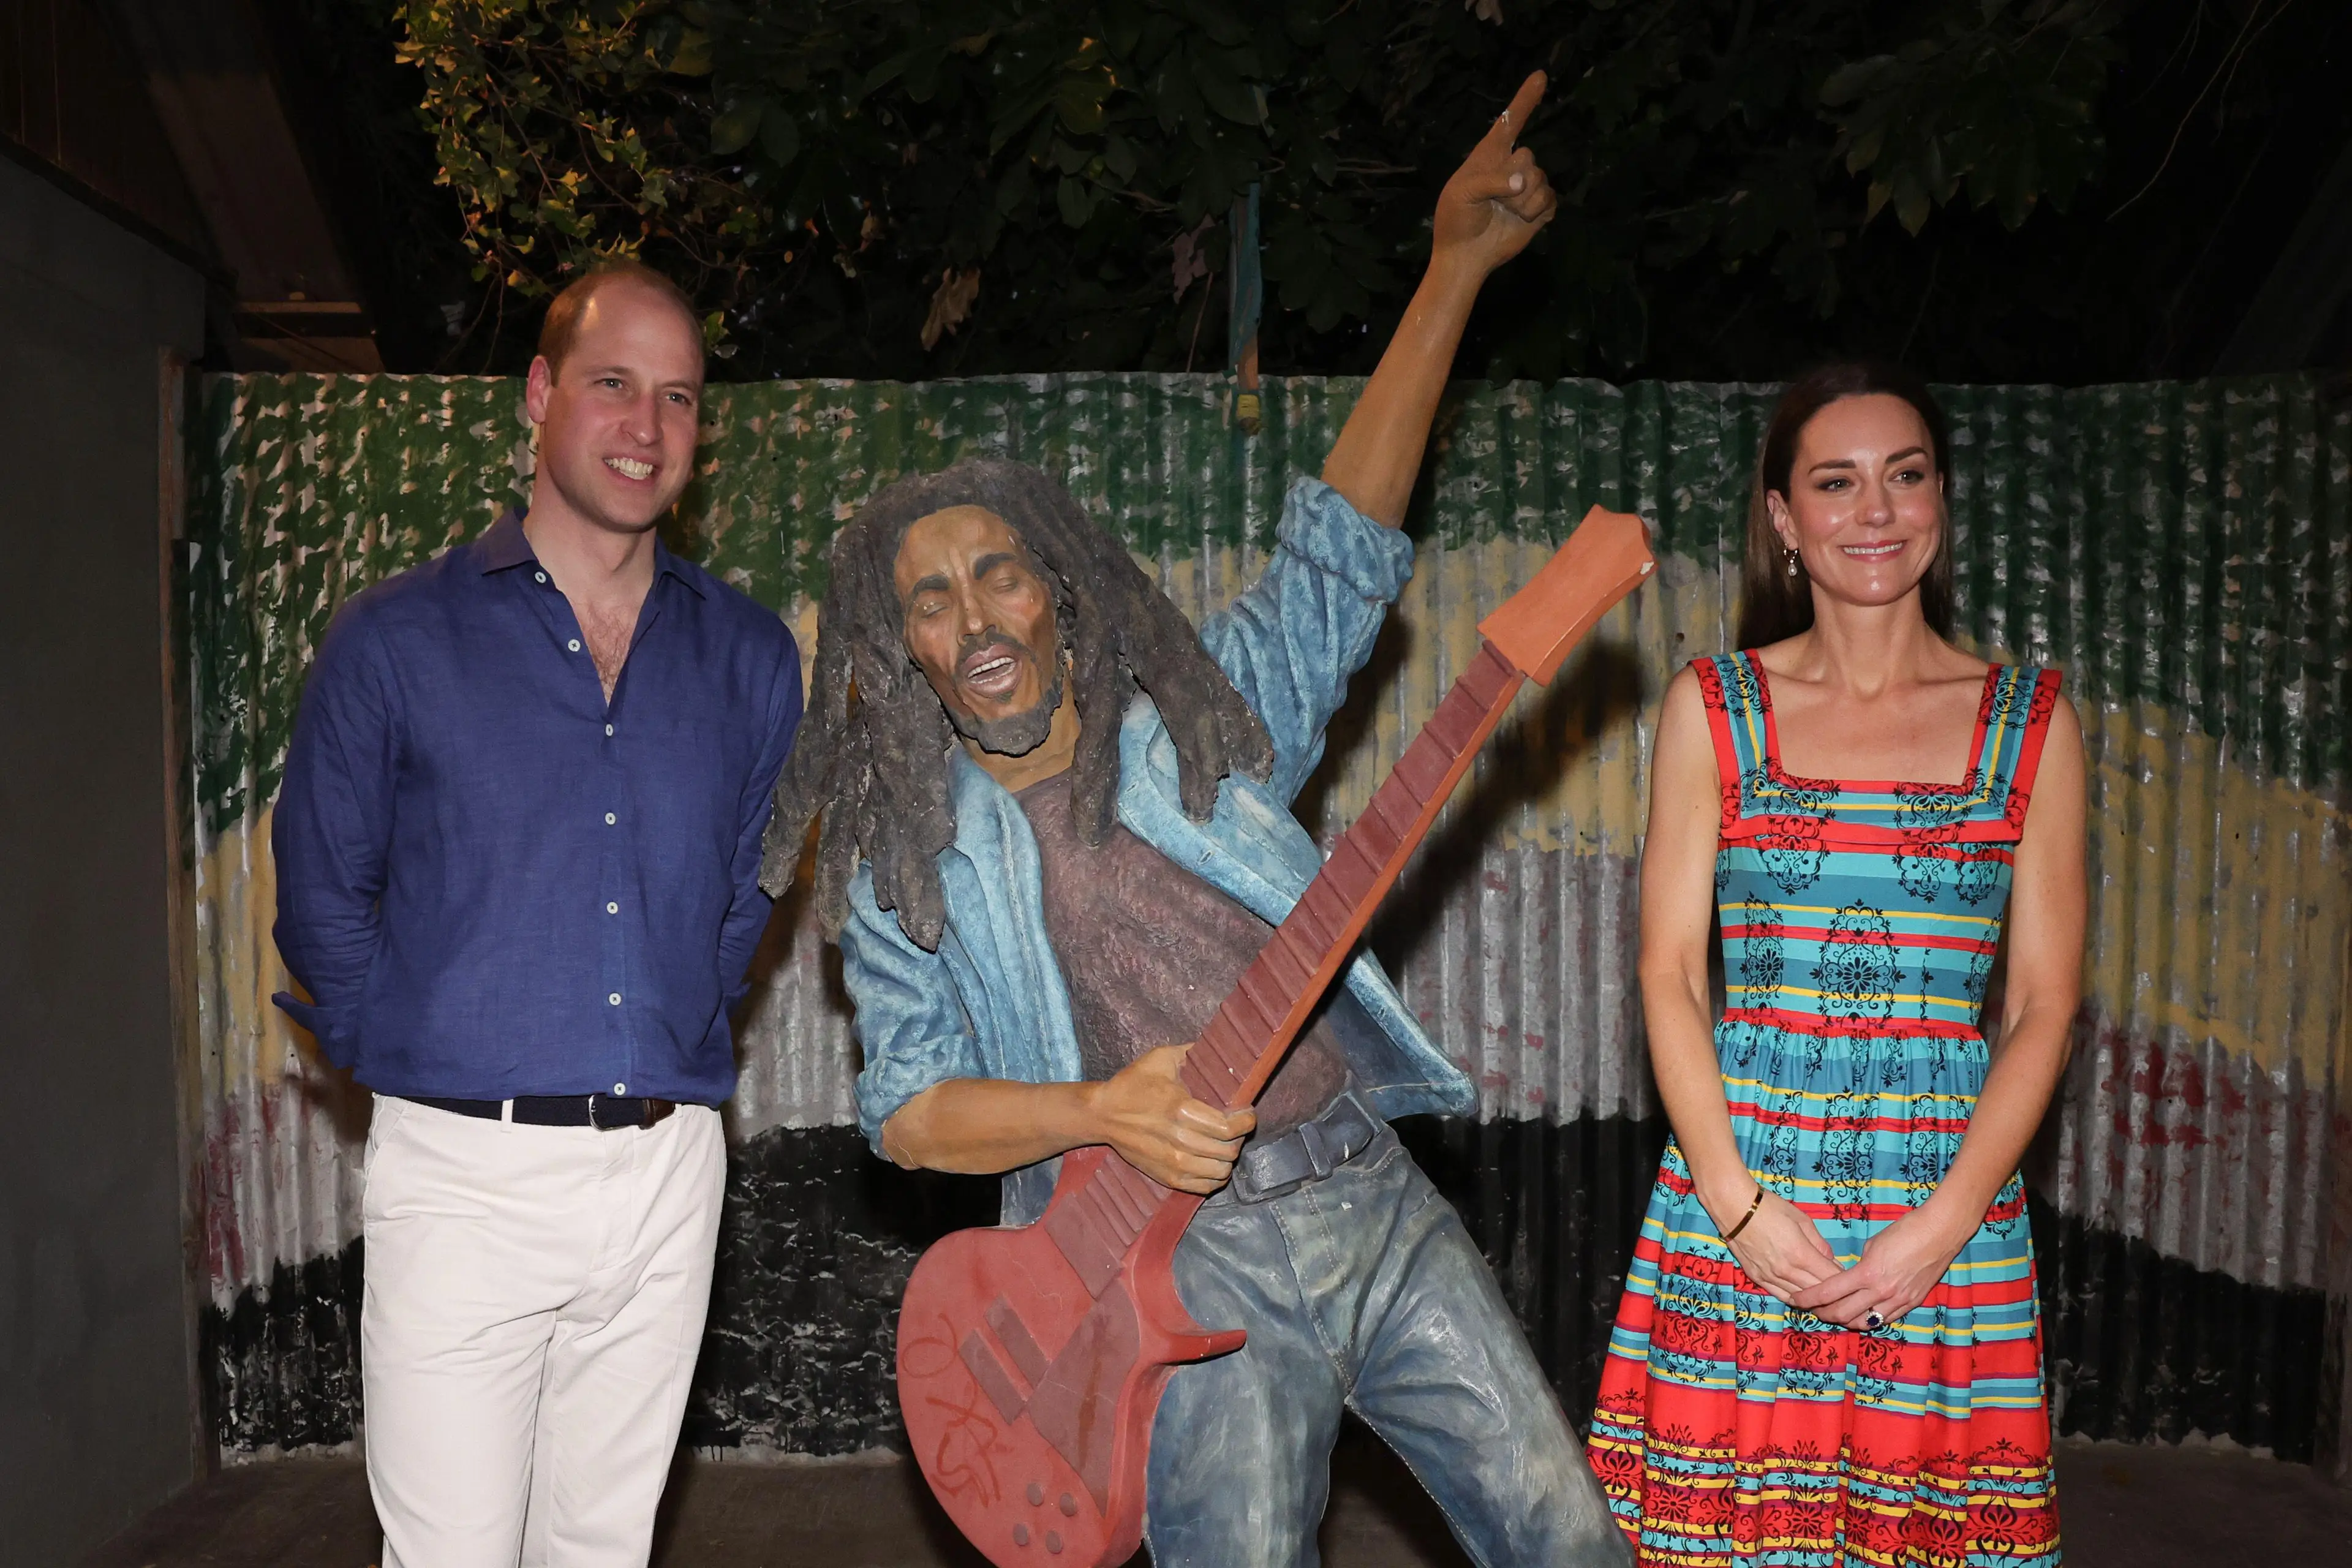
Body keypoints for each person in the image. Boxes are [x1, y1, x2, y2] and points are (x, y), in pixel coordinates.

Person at [760, 75, 1624, 1568]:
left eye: (1001, 574)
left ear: (1064, 591)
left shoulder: (1204, 732)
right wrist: (1099, 1111)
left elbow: (1339, 548)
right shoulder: (913, 861)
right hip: (1175, 1270)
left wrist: (1451, 273)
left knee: (1565, 1536)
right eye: (928, 596)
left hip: (1370, 1192)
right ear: (896, 646)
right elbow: (905, 1109)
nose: (972, 614)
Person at [271, 260, 803, 1568]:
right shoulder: (394, 640)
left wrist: (672, 1016)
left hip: (670, 1170)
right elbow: (321, 898)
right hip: (465, 1179)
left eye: (678, 398)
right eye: (614, 383)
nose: (646, 426)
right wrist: (430, 1048)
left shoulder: (748, 654)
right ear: (540, 393)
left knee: (603, 1549)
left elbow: (749, 886)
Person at [1587, 363, 2084, 1566]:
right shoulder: (1716, 707)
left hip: (1944, 1208)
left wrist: (1944, 1224)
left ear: (1942, 499)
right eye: (1837, 481)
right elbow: (1670, 974)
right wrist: (1738, 1201)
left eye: (1906, 476)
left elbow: (2041, 1002)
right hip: (1746, 1196)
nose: (1877, 510)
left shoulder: (2031, 721)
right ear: (1783, 518)